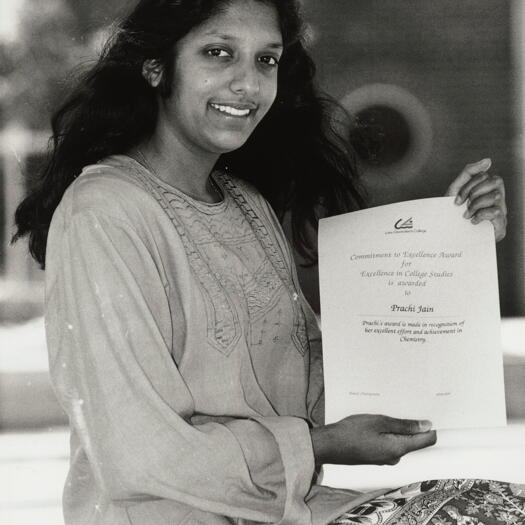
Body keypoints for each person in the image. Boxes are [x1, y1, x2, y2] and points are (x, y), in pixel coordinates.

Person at [12, 1, 514, 524]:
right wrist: (318, 446)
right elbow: (137, 452)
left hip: (286, 511)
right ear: (156, 66)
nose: (247, 84)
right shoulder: (105, 211)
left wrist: (455, 245)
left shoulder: (246, 205)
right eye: (218, 53)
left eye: (265, 61)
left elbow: (326, 388)